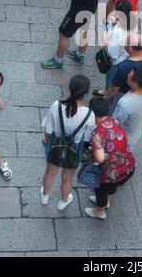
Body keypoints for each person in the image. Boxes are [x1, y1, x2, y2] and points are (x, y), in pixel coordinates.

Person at [41, 74, 96, 210]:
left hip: (55, 143)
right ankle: (63, 201)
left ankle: (45, 196)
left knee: (50, 172)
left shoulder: (57, 105)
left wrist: (46, 137)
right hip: (75, 148)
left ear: (70, 88)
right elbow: (87, 138)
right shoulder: (89, 114)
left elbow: (49, 127)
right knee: (67, 177)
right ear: (86, 92)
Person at [85, 97, 136, 220]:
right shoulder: (115, 121)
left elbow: (100, 159)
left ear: (93, 114)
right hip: (128, 167)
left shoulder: (97, 134)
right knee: (113, 186)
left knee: (100, 189)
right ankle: (108, 201)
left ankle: (100, 211)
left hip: (111, 173)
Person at [93, 0, 132, 98]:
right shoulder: (130, 23)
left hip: (117, 62)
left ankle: (107, 97)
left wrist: (105, 38)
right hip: (125, 58)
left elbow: (112, 53)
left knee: (111, 81)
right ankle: (106, 92)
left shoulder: (119, 32)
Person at [104, 33, 142, 109]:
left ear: (130, 48)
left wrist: (106, 97)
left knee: (114, 110)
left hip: (123, 93)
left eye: (126, 42)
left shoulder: (124, 67)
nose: (124, 44)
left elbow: (114, 88)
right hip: (137, 91)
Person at [113, 66, 142, 149]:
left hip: (123, 138)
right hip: (136, 134)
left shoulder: (125, 103)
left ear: (135, 83)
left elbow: (116, 122)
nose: (127, 75)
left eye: (129, 75)